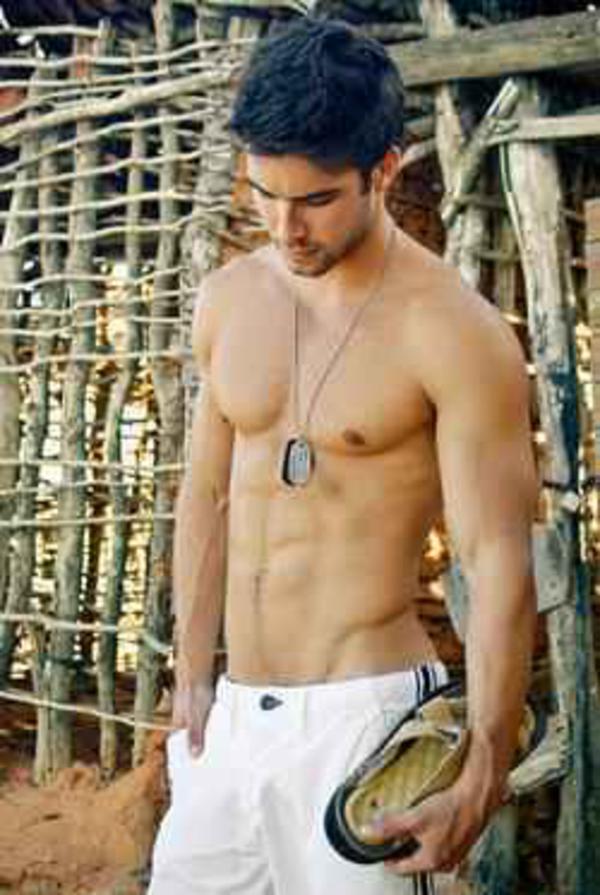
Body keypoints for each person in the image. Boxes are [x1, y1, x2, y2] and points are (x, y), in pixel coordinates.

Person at [148, 16, 538, 895]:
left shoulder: (454, 331)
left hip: (364, 724)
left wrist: (483, 762)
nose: (285, 227)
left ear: (384, 169)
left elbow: (495, 555)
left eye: (316, 200)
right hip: (230, 721)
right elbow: (208, 492)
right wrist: (193, 674)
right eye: (264, 194)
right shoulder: (228, 299)